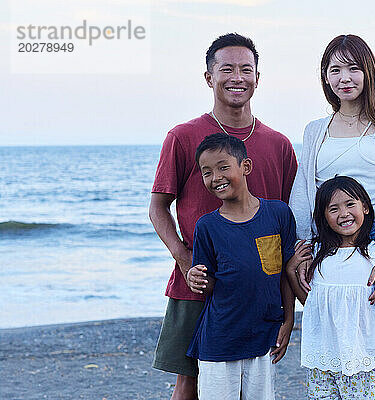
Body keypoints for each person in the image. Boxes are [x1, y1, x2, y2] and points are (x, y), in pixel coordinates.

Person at [150, 33, 297, 400]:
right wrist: (185, 261)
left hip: (257, 291)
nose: (237, 77)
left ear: (257, 79)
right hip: (197, 283)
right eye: (226, 69)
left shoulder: (278, 144)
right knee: (190, 381)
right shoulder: (183, 136)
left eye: (246, 69)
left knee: (255, 381)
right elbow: (157, 208)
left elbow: (285, 227)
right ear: (208, 77)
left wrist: (286, 302)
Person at [289, 34, 375, 399]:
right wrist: (302, 250)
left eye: (353, 68)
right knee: (335, 352)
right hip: (329, 244)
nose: (344, 78)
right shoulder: (315, 130)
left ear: (369, 71)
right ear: (325, 77)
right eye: (335, 70)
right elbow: (305, 193)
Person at [185, 133, 296, 400]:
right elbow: (209, 284)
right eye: (207, 172)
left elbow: (285, 274)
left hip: (263, 336)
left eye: (224, 167)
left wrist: (289, 319)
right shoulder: (207, 226)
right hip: (219, 341)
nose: (216, 177)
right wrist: (195, 278)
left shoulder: (278, 214)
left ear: (245, 167)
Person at [287, 176, 375, 399]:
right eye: (333, 209)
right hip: (323, 362)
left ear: (365, 207)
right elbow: (311, 305)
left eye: (350, 204)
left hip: (365, 360)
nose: (343, 213)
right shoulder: (317, 254)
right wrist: (291, 271)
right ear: (324, 218)